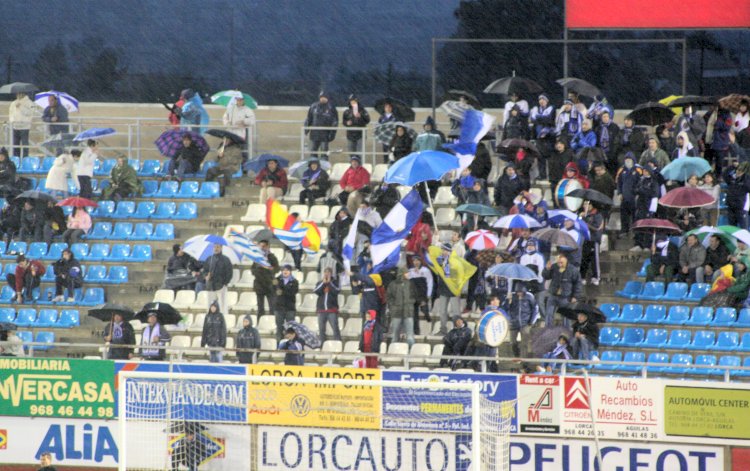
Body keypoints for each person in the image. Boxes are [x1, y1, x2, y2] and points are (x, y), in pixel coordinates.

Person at [541, 253, 582, 326]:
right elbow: (546, 276)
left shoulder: (573, 270)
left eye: (561, 262)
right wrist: (547, 269)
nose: (559, 264)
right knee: (549, 314)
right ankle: (548, 331)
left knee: (566, 317)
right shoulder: (554, 267)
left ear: (566, 260)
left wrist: (575, 296)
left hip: (565, 297)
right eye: (558, 262)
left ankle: (566, 332)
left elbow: (578, 283)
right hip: (553, 295)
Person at [501, 285, 537, 358]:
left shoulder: (529, 297)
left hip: (525, 323)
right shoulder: (512, 296)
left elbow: (535, 309)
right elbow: (504, 309)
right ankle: (516, 355)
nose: (519, 294)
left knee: (525, 343)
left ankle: (524, 361)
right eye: (518, 292)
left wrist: (531, 321)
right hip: (513, 323)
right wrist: (508, 300)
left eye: (521, 292)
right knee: (512, 342)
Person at [200, 243, 233, 315]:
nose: (216, 248)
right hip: (210, 286)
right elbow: (204, 271)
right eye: (214, 247)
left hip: (221, 286)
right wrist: (206, 276)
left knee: (223, 306)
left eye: (218, 247)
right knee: (209, 305)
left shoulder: (226, 259)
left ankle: (223, 320)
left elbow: (229, 273)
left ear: (221, 248)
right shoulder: (209, 259)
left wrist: (225, 283)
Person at [387, 268, 416, 347]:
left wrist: (410, 303)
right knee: (394, 336)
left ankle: (411, 353)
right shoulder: (392, 284)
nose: (408, 274)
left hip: (408, 312)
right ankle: (393, 353)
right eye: (407, 273)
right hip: (396, 313)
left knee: (410, 336)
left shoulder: (410, 284)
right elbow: (389, 297)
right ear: (402, 273)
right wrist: (393, 306)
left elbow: (414, 295)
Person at [304, 91, 338, 159]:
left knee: (324, 153)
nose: (323, 99)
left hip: (325, 134)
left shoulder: (331, 108)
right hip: (314, 134)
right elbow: (309, 118)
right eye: (321, 97)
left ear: (327, 98)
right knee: (313, 152)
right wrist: (306, 129)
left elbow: (335, 122)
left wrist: (332, 133)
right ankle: (313, 166)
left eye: (324, 97)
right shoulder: (313, 106)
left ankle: (324, 166)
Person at [251, 240, 280, 317]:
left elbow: (277, 269)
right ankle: (259, 323)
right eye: (260, 246)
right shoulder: (257, 258)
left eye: (263, 246)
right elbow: (252, 270)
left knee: (272, 307)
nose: (261, 248)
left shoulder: (272, 257)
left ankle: (272, 323)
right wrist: (259, 270)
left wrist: (269, 269)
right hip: (259, 285)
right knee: (260, 308)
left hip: (269, 285)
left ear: (267, 247)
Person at [579, 201, 604, 285]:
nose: (585, 206)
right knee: (584, 258)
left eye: (587, 204)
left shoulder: (597, 215)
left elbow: (596, 228)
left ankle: (596, 276)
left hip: (594, 239)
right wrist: (580, 218)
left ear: (591, 205)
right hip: (585, 240)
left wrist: (585, 222)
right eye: (584, 204)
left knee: (594, 259)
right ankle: (582, 276)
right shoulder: (583, 215)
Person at [314, 267, 341, 343]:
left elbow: (337, 291)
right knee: (321, 330)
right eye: (325, 272)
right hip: (321, 310)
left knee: (335, 329)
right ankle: (322, 346)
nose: (327, 274)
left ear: (331, 274)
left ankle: (338, 345)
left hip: (332, 310)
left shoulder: (335, 282)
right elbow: (316, 291)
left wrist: (329, 283)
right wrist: (323, 283)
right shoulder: (320, 282)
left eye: (328, 272)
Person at [273, 265, 299, 342]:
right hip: (279, 308)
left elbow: (292, 293)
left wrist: (282, 291)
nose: (285, 271)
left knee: (290, 329)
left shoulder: (294, 281)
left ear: (290, 271)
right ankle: (279, 345)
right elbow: (273, 290)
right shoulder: (276, 280)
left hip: (290, 308)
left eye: (287, 270)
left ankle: (290, 345)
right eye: (284, 270)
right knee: (279, 328)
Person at [343, 94, 370, 160]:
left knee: (359, 153)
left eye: (354, 102)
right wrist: (347, 123)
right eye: (351, 102)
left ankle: (359, 167)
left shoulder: (363, 111)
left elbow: (367, 120)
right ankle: (351, 168)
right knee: (351, 153)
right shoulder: (347, 112)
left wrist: (360, 117)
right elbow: (344, 121)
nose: (353, 103)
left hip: (360, 134)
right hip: (350, 134)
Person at [9, 93, 35, 158]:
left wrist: (21, 107)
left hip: (25, 127)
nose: (18, 95)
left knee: (25, 145)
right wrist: (12, 121)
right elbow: (10, 113)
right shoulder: (13, 103)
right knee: (15, 145)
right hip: (15, 127)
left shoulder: (30, 103)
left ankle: (25, 159)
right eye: (17, 93)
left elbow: (29, 113)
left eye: (20, 93)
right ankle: (16, 160)